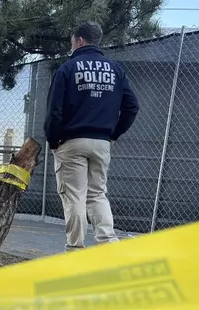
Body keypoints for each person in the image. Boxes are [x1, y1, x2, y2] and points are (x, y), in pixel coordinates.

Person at [44, 21, 140, 251]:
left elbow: (54, 111)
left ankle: (75, 249)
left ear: (79, 41)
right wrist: (113, 134)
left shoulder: (67, 69)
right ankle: (107, 245)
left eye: (71, 42)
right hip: (101, 142)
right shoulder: (115, 70)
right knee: (97, 194)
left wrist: (53, 140)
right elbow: (132, 106)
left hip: (71, 142)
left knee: (74, 196)